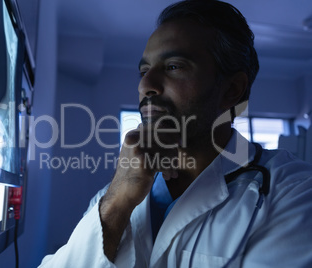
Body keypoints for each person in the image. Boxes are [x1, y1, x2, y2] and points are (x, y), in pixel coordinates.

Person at [39, 0, 312, 267]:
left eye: (174, 66)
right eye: (144, 71)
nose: (146, 85)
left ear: (232, 90)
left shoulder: (293, 191)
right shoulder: (114, 196)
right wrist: (117, 203)